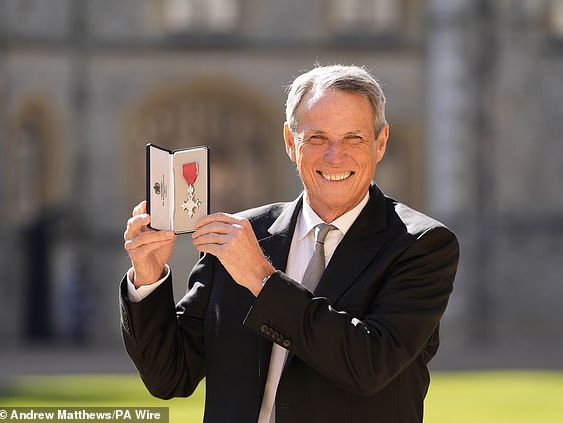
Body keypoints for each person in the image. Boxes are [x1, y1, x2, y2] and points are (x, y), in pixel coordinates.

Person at [121, 64, 459, 423]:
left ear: (381, 142)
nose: (335, 156)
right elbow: (170, 377)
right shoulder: (241, 235)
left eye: (353, 138)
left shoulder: (422, 245)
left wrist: (261, 278)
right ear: (289, 142)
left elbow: (369, 365)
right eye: (317, 138)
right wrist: (148, 278)